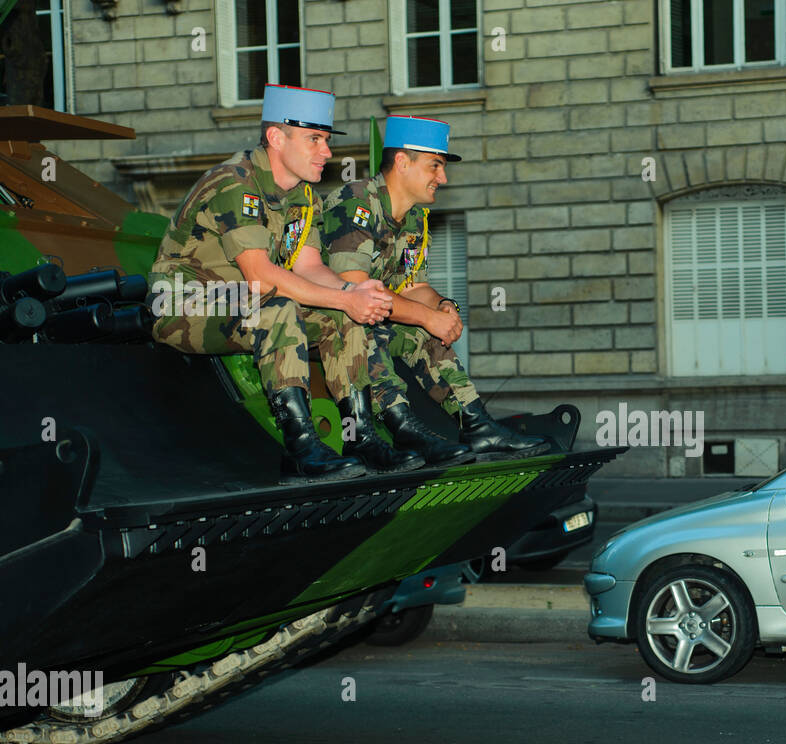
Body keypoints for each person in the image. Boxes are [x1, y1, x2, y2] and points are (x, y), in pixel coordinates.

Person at [150, 84, 422, 481]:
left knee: (341, 316)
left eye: (327, 141)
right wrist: (344, 298)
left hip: (240, 300)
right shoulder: (235, 182)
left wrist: (352, 295)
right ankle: (300, 448)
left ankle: (361, 438)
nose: (327, 152)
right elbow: (261, 276)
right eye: (315, 139)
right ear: (276, 138)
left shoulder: (302, 195)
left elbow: (308, 265)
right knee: (274, 306)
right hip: (182, 303)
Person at [321, 115, 548, 463]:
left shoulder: (413, 218)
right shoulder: (355, 202)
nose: (442, 178)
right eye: (435, 166)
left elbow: (414, 286)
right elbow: (356, 291)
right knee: (372, 325)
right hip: (332, 324)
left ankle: (476, 424)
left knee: (423, 332)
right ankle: (403, 427)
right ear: (401, 161)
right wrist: (428, 316)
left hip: (368, 317)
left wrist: (442, 307)